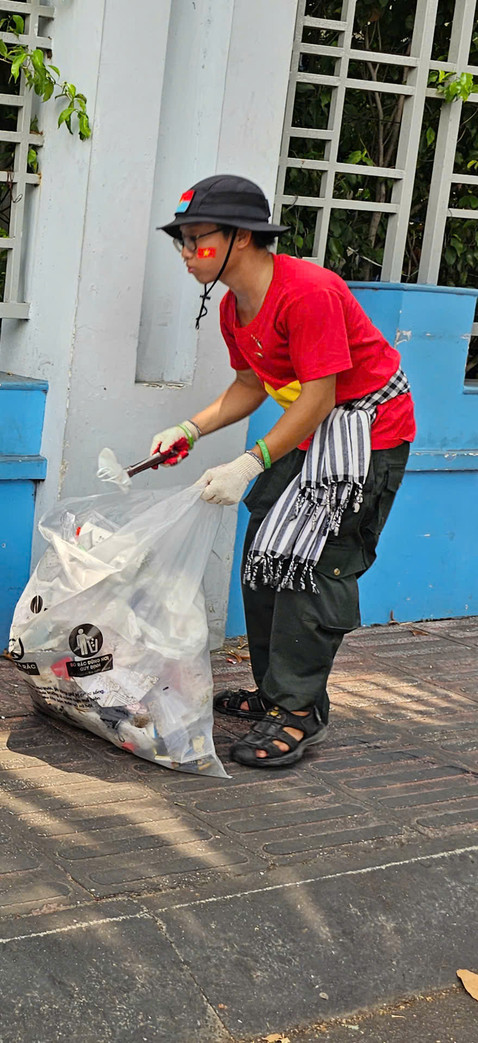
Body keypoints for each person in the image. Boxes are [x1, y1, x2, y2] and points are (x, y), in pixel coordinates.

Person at [148, 174, 415, 769]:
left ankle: (298, 711)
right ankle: (277, 692)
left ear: (241, 237)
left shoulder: (307, 292)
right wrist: (191, 430)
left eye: (198, 240)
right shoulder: (232, 308)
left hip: (363, 434)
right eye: (182, 243)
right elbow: (250, 386)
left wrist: (250, 460)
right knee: (265, 549)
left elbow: (319, 398)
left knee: (313, 562)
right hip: (309, 428)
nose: (189, 255)